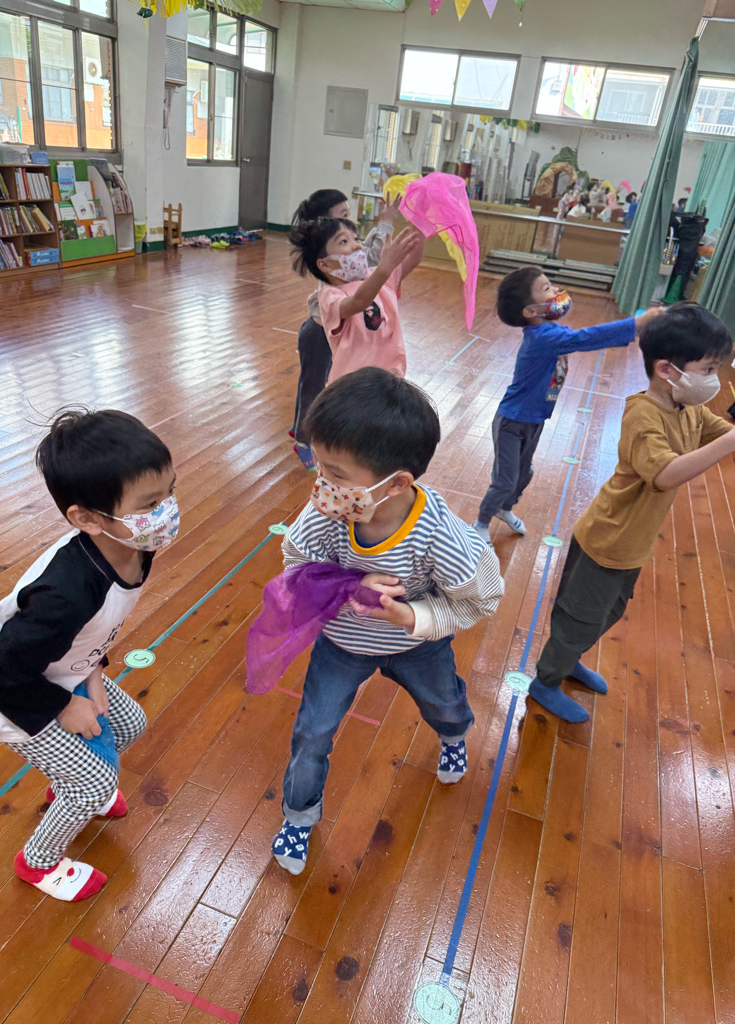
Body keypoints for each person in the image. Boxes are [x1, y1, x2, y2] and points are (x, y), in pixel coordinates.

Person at [270, 368, 504, 874]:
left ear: (397, 483)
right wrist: (346, 585)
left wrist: (412, 615)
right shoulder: (325, 513)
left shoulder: (439, 536)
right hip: (342, 646)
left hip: (416, 647)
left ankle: (454, 736)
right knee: (312, 733)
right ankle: (299, 815)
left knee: (444, 704)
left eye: (335, 473)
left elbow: (481, 599)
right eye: (319, 466)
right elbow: (295, 568)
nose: (321, 484)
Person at [0, 409, 178, 900]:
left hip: (60, 670)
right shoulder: (65, 594)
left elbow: (92, 629)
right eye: (150, 503)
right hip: (8, 694)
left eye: (170, 492)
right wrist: (64, 705)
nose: (166, 512)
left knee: (129, 724)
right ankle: (38, 863)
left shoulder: (135, 544)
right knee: (94, 780)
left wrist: (95, 673)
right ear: (86, 518)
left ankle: (72, 789)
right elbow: (3, 668)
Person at [528, 303, 734, 722]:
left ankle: (569, 658)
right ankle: (546, 681)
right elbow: (666, 474)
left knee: (610, 611)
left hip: (632, 542)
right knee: (579, 618)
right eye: (710, 369)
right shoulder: (644, 416)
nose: (716, 379)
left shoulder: (687, 407)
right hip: (608, 538)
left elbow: (721, 432)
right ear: (667, 369)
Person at [472, 267, 664, 543]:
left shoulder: (550, 330)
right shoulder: (543, 338)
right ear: (530, 311)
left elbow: (582, 337)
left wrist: (634, 329)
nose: (555, 291)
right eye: (546, 289)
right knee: (505, 479)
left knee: (524, 473)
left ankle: (504, 508)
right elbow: (585, 338)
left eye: (551, 285)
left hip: (535, 419)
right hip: (512, 421)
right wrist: (636, 323)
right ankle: (480, 523)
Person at [290, 189, 399, 471]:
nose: (349, 221)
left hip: (340, 333)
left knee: (324, 387)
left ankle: (306, 429)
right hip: (319, 334)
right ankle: (303, 438)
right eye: (343, 216)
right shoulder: (332, 277)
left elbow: (371, 259)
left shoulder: (346, 260)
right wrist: (386, 231)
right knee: (314, 389)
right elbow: (370, 270)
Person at [289, 217, 424, 386]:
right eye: (344, 241)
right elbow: (358, 302)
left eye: (356, 238)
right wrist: (384, 268)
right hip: (352, 388)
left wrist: (420, 216)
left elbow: (414, 257)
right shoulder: (329, 296)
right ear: (325, 265)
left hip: (388, 382)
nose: (357, 246)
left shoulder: (376, 276)